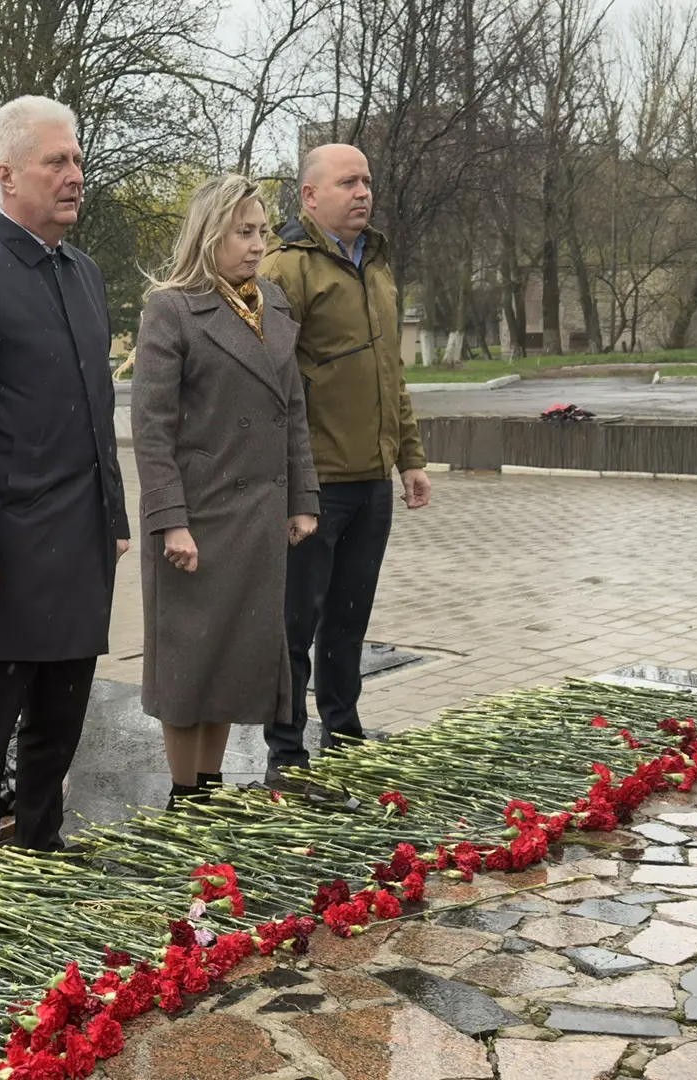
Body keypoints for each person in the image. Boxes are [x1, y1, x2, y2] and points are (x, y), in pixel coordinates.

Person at [0, 96, 130, 872]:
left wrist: (115, 515)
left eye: (76, 160)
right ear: (7, 175)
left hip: (78, 544)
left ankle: (41, 847)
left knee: (60, 718)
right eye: (56, 162)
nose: (75, 176)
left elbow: (95, 407)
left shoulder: (83, 275)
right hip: (2, 551)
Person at [130, 175, 319, 806]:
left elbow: (292, 411)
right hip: (199, 516)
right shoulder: (172, 307)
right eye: (244, 232)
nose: (258, 244)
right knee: (190, 665)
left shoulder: (272, 304)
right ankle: (186, 796)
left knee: (230, 661)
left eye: (263, 231)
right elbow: (151, 429)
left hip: (256, 517)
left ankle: (208, 788)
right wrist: (169, 521)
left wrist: (302, 499)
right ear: (211, 235)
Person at [259, 143, 432, 785]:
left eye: (366, 181)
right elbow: (270, 384)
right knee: (294, 621)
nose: (362, 192)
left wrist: (410, 458)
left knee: (349, 616)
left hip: (372, 480)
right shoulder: (285, 269)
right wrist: (289, 483)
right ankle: (285, 748)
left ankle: (343, 728)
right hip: (314, 485)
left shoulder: (378, 269)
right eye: (346, 182)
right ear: (309, 196)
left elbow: (393, 375)